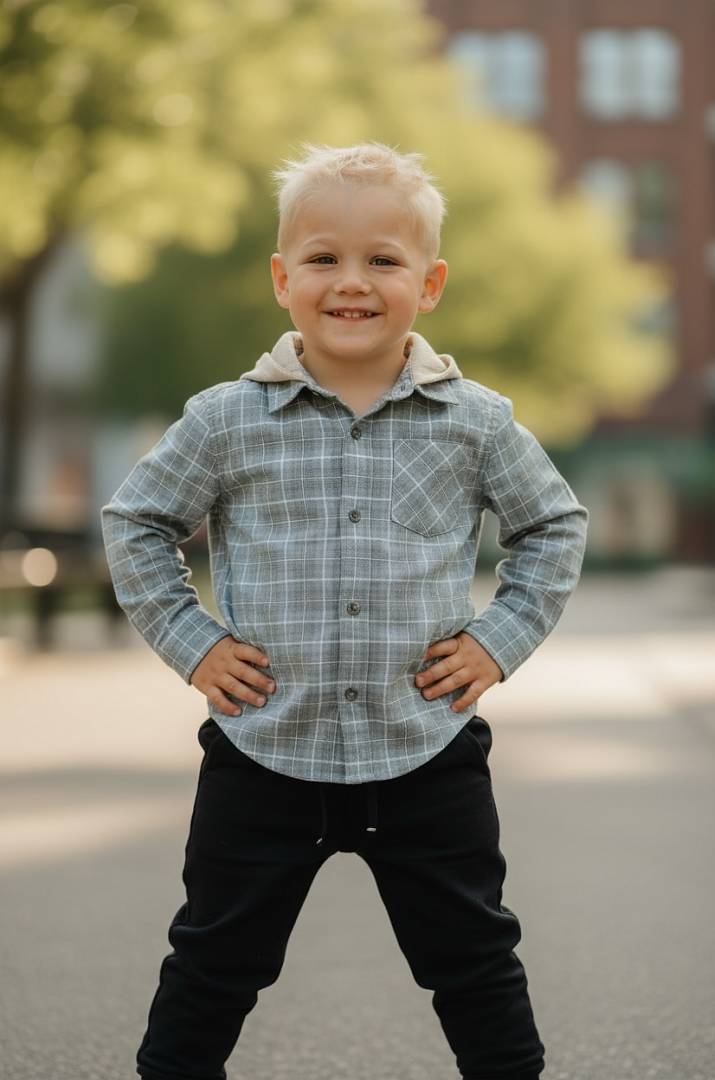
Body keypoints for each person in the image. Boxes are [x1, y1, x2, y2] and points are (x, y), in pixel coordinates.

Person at [101, 141, 589, 1080]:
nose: (351, 282)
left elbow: (554, 527)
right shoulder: (225, 418)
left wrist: (498, 641)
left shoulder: (476, 420)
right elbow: (137, 522)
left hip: (426, 750)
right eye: (324, 258)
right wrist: (194, 643)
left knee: (476, 963)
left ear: (431, 283)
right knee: (212, 963)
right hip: (263, 750)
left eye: (384, 261)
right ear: (283, 279)